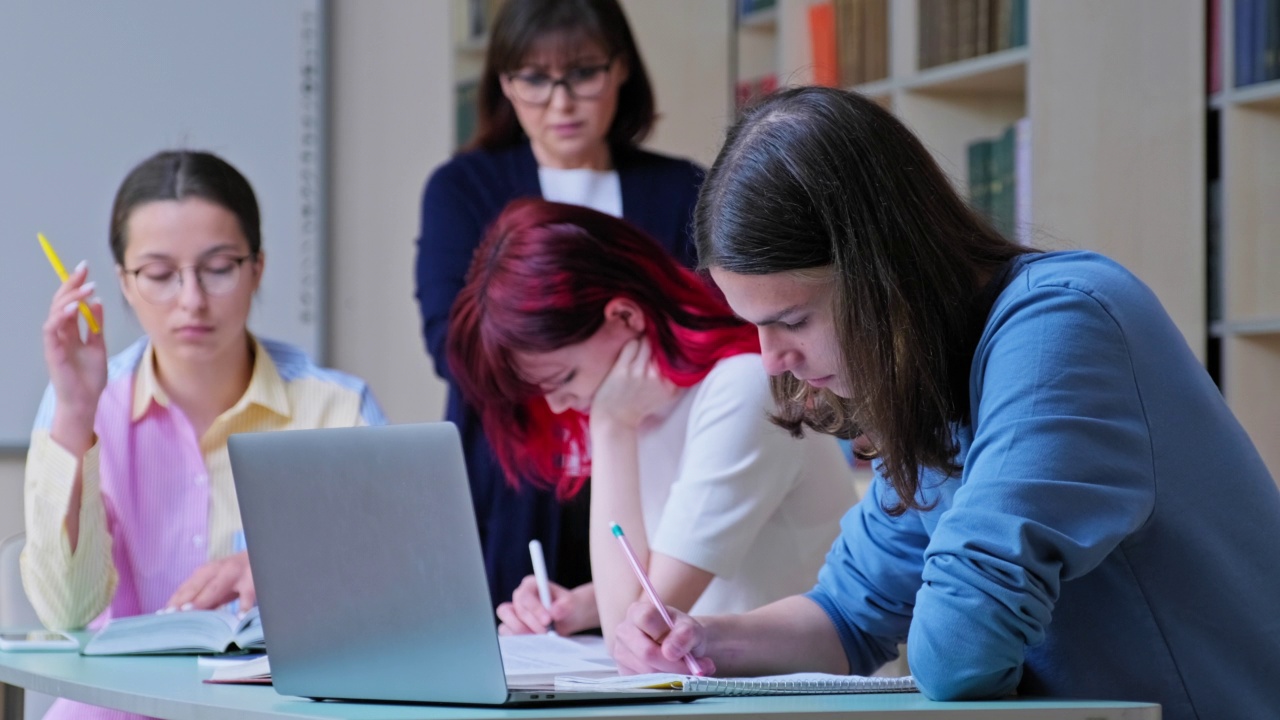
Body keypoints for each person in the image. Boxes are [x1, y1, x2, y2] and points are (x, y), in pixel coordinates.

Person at [611, 86, 1280, 719]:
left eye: (792, 321)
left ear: (883, 275)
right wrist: (702, 640)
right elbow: (847, 615)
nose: (772, 359)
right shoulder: (935, 377)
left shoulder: (1065, 326)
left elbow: (959, 646)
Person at [21, 150, 385, 720]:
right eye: (161, 275)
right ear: (123, 283)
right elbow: (66, 609)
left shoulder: (338, 408)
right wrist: (74, 409)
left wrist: (290, 571)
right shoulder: (84, 404)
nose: (191, 300)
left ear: (257, 267)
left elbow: (394, 601)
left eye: (218, 268)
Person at [447, 198, 854, 642]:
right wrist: (575, 605)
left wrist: (610, 428)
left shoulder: (744, 390)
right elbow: (661, 581)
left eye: (563, 377)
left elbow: (635, 628)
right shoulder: (642, 405)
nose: (560, 405)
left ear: (625, 315)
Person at [415, 0, 705, 609]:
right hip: (517, 477)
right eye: (535, 79)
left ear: (621, 69)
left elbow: (700, 325)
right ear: (503, 83)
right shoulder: (463, 187)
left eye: (582, 73)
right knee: (524, 642)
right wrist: (587, 382)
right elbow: (455, 345)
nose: (561, 102)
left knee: (654, 637)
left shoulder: (681, 187)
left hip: (658, 460)